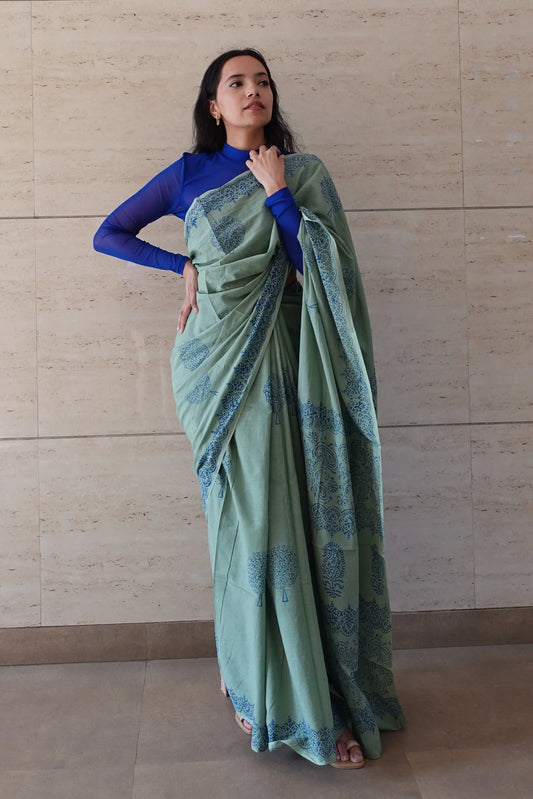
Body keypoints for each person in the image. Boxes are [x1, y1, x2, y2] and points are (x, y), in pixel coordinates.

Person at [94, 47, 404, 769]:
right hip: (218, 369)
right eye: (236, 83)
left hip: (297, 366)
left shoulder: (301, 172)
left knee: (307, 523)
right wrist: (182, 266)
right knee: (249, 527)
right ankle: (255, 684)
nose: (252, 91)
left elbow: (316, 268)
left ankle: (325, 696)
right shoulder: (187, 176)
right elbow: (109, 233)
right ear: (214, 104)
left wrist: (278, 192)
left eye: (262, 81)